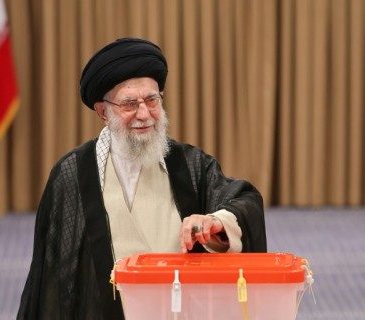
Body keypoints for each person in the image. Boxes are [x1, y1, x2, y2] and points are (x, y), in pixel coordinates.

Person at [17, 37, 267, 320]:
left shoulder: (190, 164)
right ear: (103, 111)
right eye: (129, 104)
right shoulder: (72, 174)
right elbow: (53, 278)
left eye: (152, 100)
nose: (144, 114)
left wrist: (216, 222)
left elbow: (244, 201)